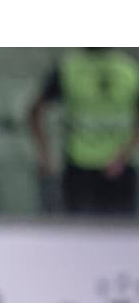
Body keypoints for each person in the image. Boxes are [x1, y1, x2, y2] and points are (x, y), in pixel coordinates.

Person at [28, 47, 139, 216]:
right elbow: (35, 110)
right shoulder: (68, 68)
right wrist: (45, 155)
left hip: (119, 167)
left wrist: (125, 155)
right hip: (80, 166)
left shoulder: (130, 69)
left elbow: (35, 111)